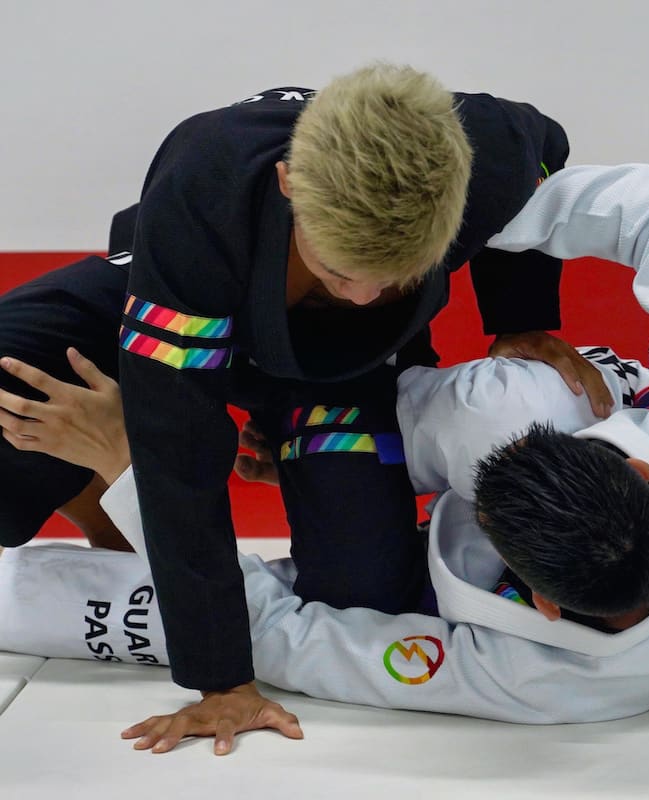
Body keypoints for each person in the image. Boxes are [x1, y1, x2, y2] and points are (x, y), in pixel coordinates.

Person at [2, 163, 649, 734]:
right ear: (637, 461)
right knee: (507, 409)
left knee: (346, 599)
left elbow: (288, 635)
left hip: (445, 579)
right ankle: (309, 383)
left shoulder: (549, 680)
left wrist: (131, 469)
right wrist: (429, 226)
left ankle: (303, 418)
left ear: (538, 603)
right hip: (504, 411)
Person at [0, 63, 614, 752]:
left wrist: (520, 317)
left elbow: (542, 151)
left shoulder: (484, 154)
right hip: (199, 298)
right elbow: (182, 452)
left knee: (362, 595)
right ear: (290, 185)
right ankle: (94, 493)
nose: (360, 296)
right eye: (341, 271)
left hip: (340, 372)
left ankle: (261, 451)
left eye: (393, 278)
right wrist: (222, 683)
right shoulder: (202, 193)